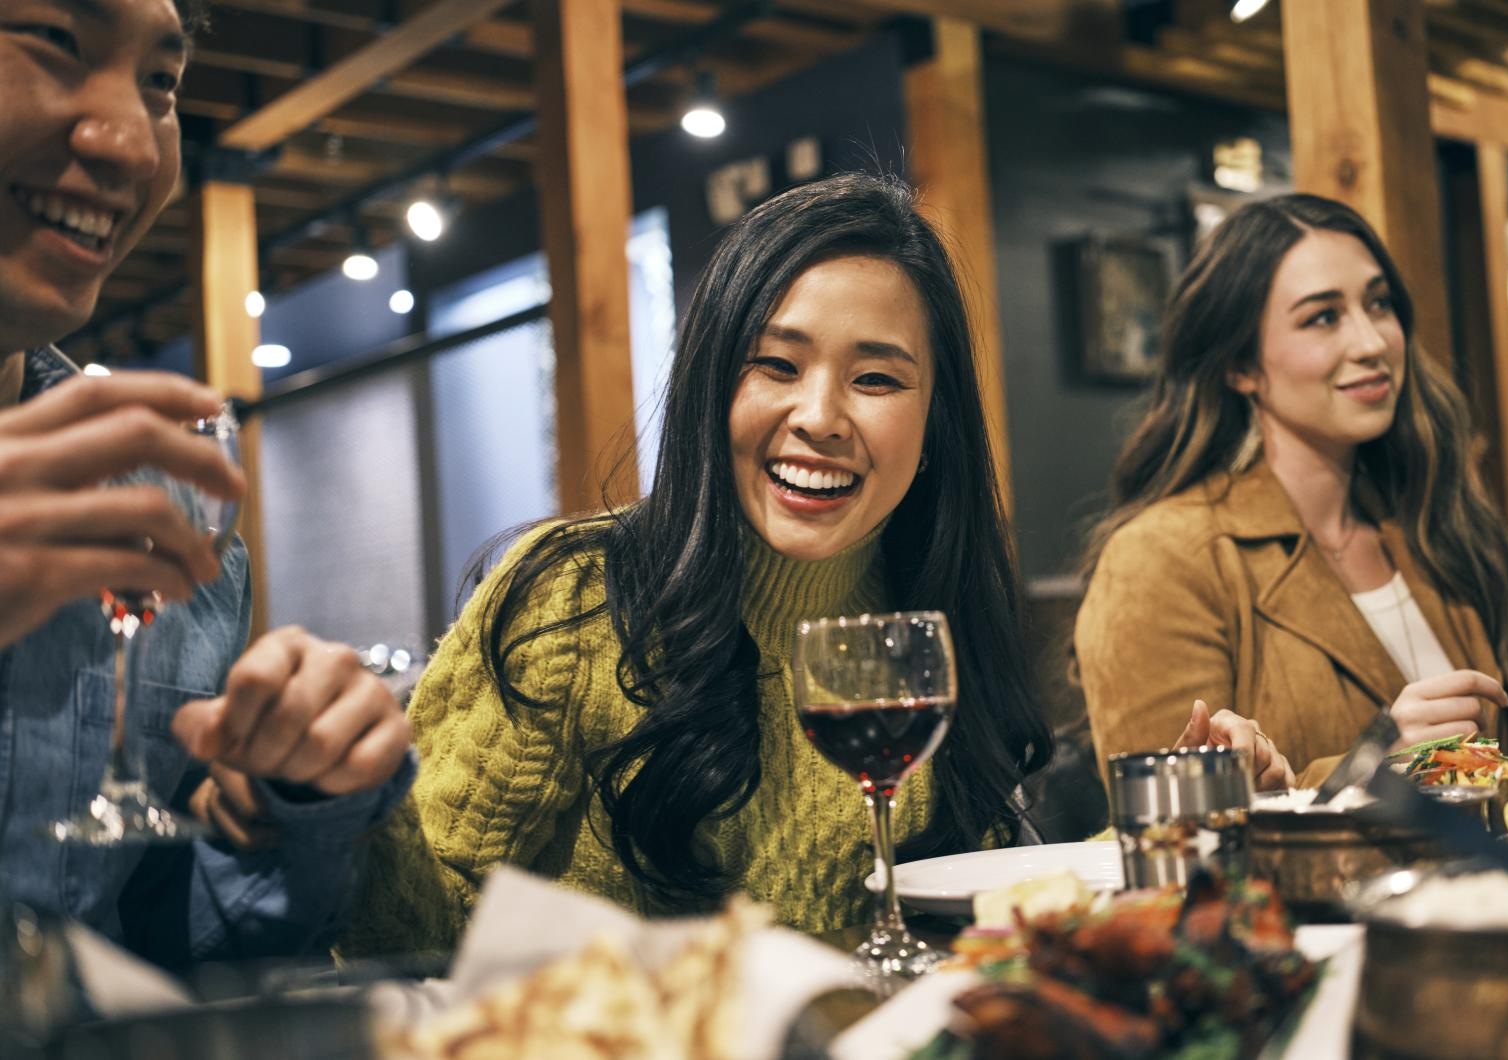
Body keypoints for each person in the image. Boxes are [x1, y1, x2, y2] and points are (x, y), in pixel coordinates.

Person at [342, 172, 1052, 951]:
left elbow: (994, 927)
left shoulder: (932, 624)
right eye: (777, 365)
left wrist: (1183, 830)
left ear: (934, 425)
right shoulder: (576, 598)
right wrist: (351, 800)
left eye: (876, 379)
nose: (819, 418)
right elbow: (414, 937)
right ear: (711, 388)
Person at [0, 0, 413, 969]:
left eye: (163, 83)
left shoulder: (152, 499)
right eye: (55, 40)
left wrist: (295, 796)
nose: (131, 144)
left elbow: (160, 938)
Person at [1074, 193, 1508, 790]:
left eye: (1378, 304)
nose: (1371, 341)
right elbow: (1171, 822)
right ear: (1241, 366)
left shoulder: (1429, 525)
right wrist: (1378, 762)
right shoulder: (1161, 556)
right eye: (1322, 317)